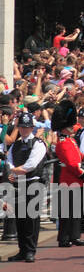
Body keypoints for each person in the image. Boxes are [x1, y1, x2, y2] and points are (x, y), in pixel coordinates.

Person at [5, 112, 47, 262]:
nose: (24, 130)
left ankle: (30, 250)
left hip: (33, 183)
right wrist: (14, 171)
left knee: (31, 218)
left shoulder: (38, 143)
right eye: (22, 127)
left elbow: (31, 165)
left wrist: (15, 171)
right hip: (19, 183)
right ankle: (22, 250)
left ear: (32, 128)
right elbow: (9, 160)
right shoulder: (16, 144)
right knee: (20, 219)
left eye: (27, 127)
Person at [52, 102, 84, 247]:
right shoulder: (64, 143)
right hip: (69, 180)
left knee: (75, 210)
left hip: (74, 180)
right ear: (66, 128)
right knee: (67, 211)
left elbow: (78, 157)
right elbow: (72, 164)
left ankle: (73, 236)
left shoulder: (70, 140)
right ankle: (64, 238)